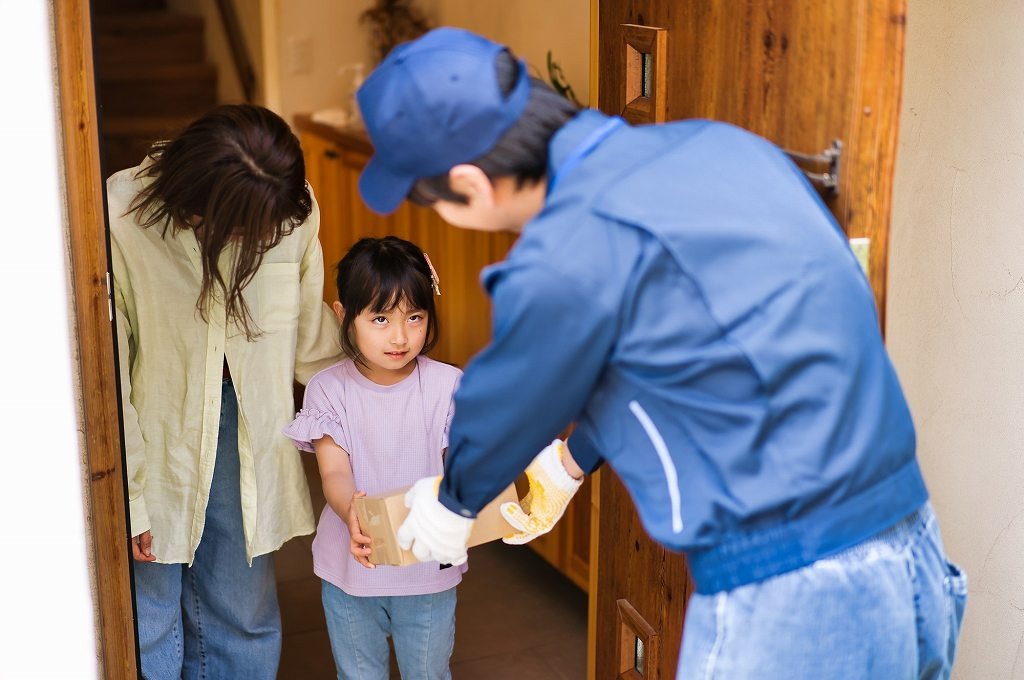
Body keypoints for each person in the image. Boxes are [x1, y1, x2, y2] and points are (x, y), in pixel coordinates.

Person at [353, 27, 968, 679]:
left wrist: (453, 503)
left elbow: (502, 401)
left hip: (794, 593)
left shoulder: (568, 246)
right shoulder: (720, 146)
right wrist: (570, 462)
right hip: (909, 546)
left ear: (471, 186)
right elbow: (681, 351)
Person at [109, 104, 343, 679]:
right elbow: (107, 374)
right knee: (150, 615)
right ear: (196, 206)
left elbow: (313, 342)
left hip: (249, 425)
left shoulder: (293, 209)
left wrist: (381, 388)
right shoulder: (123, 213)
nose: (258, 242)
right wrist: (132, 493)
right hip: (151, 429)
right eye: (242, 232)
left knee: (244, 612)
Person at [283, 235, 463, 680]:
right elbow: (335, 472)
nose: (400, 337)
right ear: (344, 315)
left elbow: (462, 468)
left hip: (427, 571)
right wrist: (353, 512)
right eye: (380, 318)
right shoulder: (329, 389)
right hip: (352, 569)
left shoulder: (448, 385)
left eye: (415, 317)